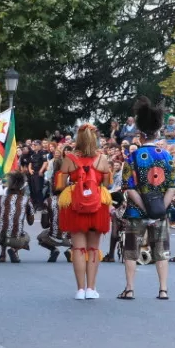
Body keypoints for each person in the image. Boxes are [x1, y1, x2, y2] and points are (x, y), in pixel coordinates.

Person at [58, 122, 115, 299]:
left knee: (78, 249)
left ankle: (80, 289)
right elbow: (107, 184)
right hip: (97, 206)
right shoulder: (102, 159)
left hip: (76, 206)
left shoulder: (69, 158)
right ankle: (91, 288)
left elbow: (60, 185)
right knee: (93, 248)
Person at [119, 142, 175, 300]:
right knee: (161, 251)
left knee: (131, 251)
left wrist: (144, 208)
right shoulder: (167, 155)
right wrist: (158, 210)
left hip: (135, 212)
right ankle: (163, 290)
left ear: (142, 135)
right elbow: (172, 186)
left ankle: (129, 289)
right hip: (160, 211)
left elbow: (129, 188)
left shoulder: (131, 157)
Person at [0, 170, 32, 263]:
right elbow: (31, 222)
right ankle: (14, 250)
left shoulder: (1, 198)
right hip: (16, 238)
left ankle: (2, 254)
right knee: (26, 236)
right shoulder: (26, 200)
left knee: (3, 226)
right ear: (22, 189)